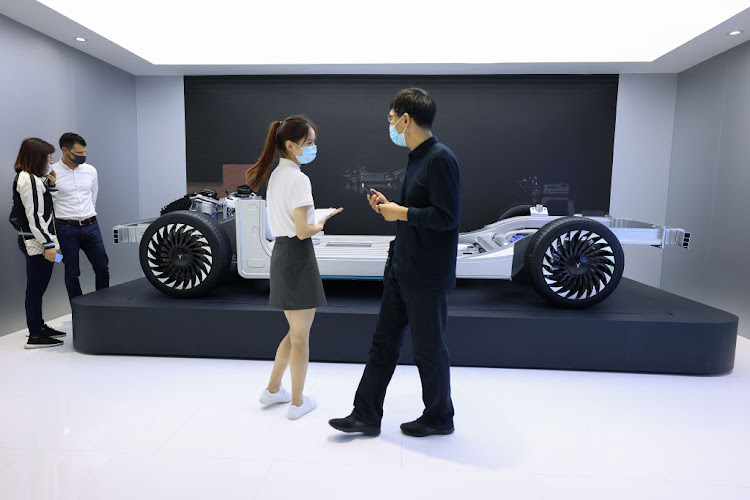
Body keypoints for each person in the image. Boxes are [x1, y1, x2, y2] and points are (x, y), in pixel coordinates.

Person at [329, 88, 461, 437]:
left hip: (426, 274)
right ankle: (366, 415)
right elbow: (419, 212)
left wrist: (400, 212)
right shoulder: (417, 158)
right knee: (383, 343)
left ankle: (439, 416)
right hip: (402, 267)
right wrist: (391, 208)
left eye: (391, 120)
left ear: (406, 119)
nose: (390, 127)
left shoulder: (440, 158)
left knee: (429, 350)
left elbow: (447, 217)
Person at [246, 115, 343, 420]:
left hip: (283, 256)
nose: (314, 147)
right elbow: (303, 231)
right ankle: (298, 403)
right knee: (301, 336)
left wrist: (313, 220)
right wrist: (322, 221)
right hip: (298, 256)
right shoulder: (299, 179)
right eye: (309, 142)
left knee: (294, 331)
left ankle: (273, 390)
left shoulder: (277, 174)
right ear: (290, 145)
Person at [11, 138, 67, 349]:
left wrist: (50, 186)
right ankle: (34, 335)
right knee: (35, 288)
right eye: (48, 156)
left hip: (39, 242)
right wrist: (49, 245)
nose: (51, 160)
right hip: (38, 244)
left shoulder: (32, 178)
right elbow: (34, 216)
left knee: (38, 287)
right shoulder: (29, 180)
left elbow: (43, 208)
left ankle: (39, 327)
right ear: (37, 157)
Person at [51, 133, 109, 301]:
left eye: (84, 152)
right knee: (71, 272)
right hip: (66, 229)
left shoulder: (90, 170)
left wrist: (87, 215)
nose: (83, 156)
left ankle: (102, 306)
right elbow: (49, 202)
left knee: (102, 268)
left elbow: (93, 197)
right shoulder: (52, 172)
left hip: (92, 226)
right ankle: (79, 312)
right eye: (79, 153)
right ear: (65, 150)